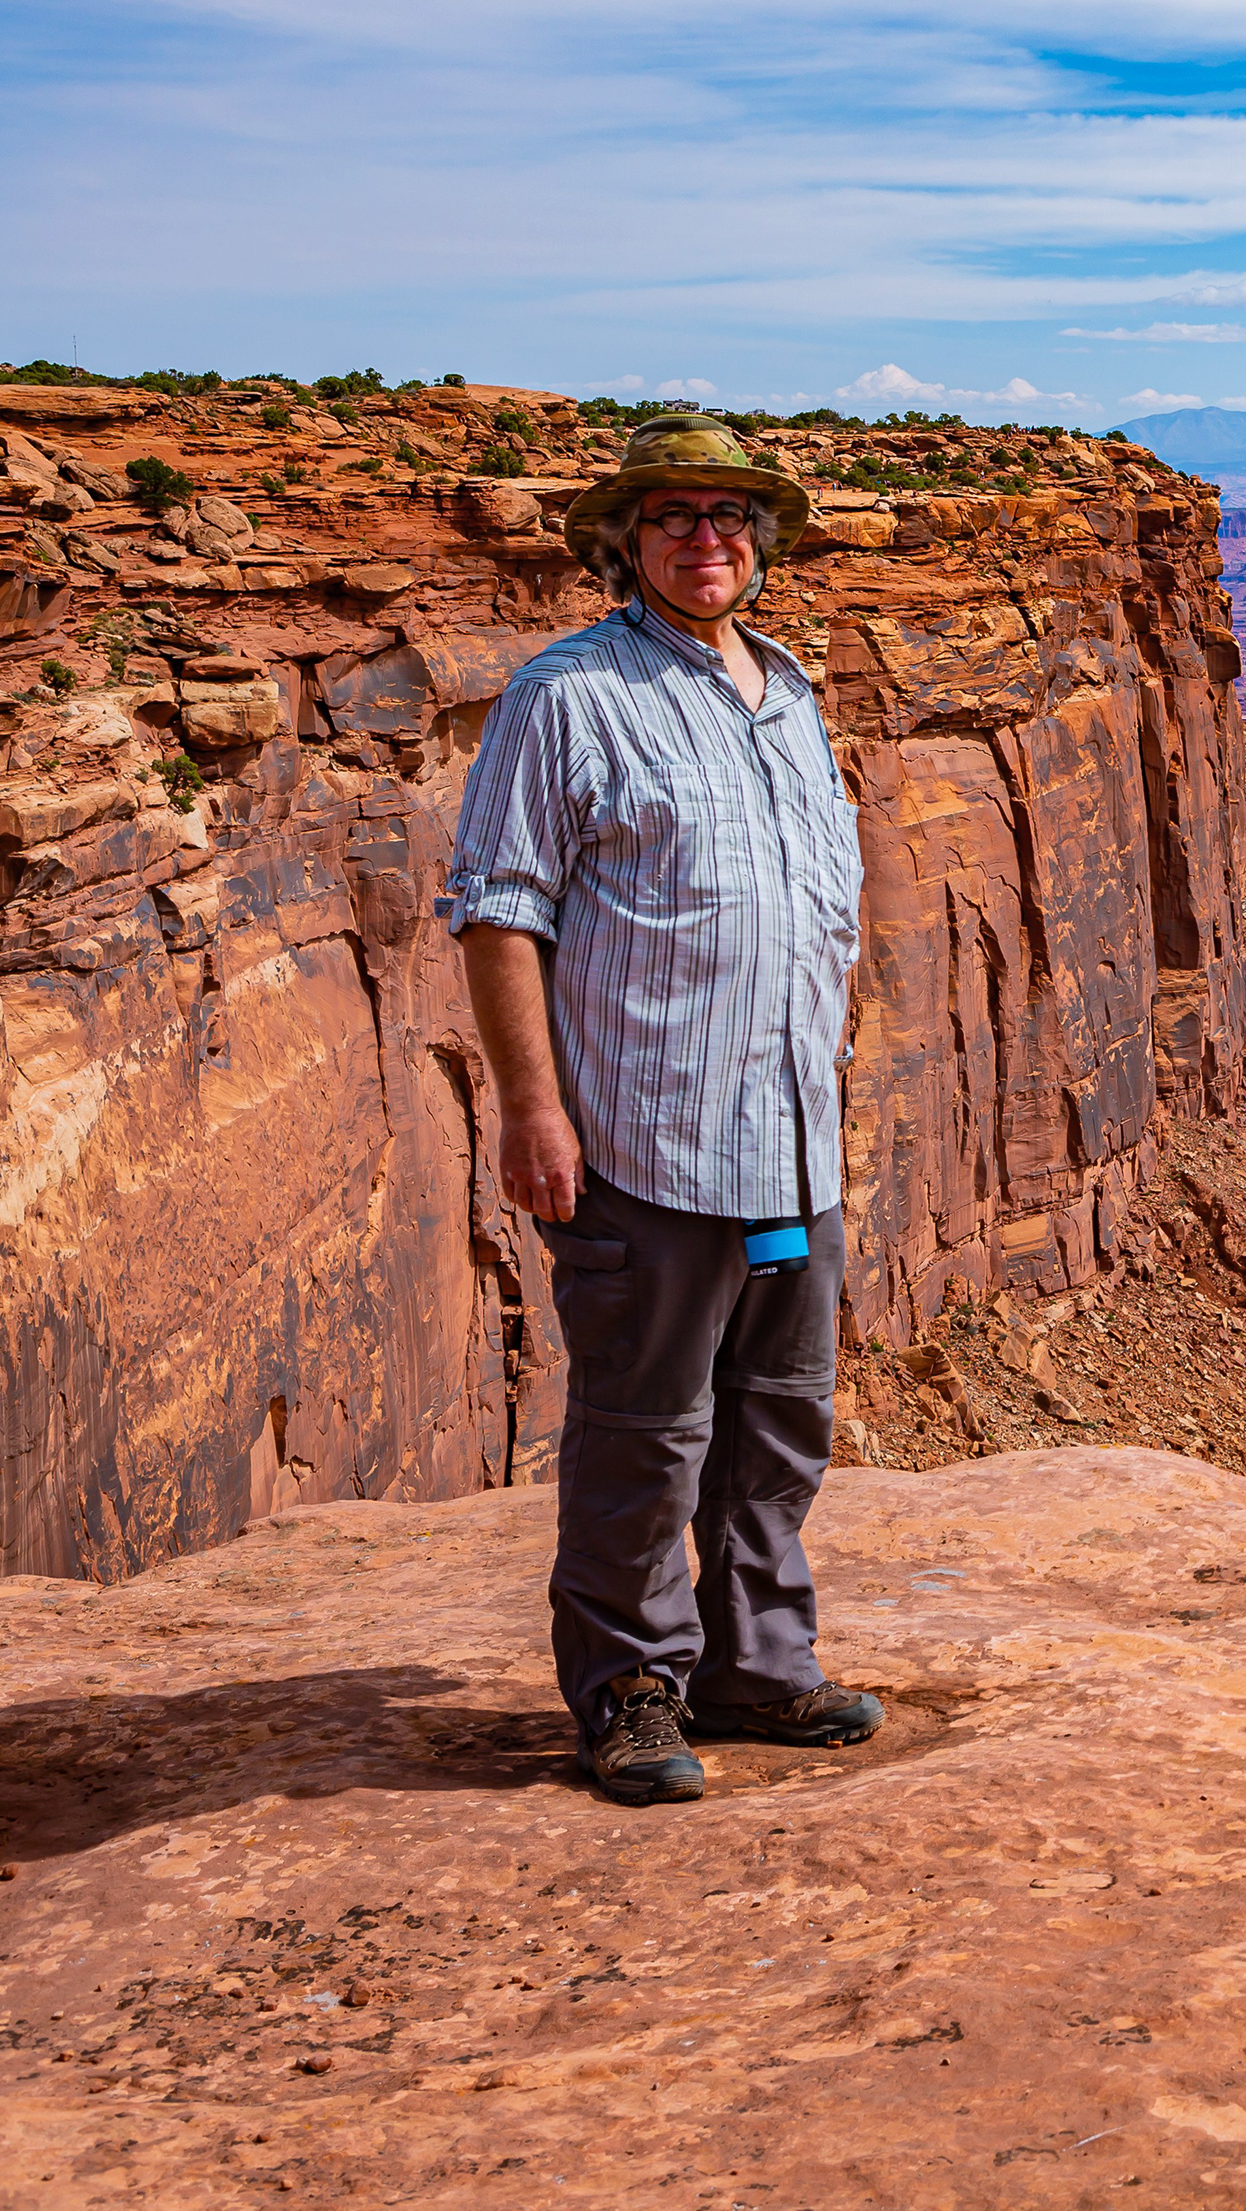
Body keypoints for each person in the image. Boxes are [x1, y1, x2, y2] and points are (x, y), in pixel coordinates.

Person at [443, 412, 882, 1805]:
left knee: (779, 1420)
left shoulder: (795, 699)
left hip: (791, 1139)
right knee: (646, 1430)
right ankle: (632, 1689)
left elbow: (823, 917)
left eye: (733, 516)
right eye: (678, 514)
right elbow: (499, 912)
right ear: (625, 540)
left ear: (763, 543)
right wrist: (533, 1109)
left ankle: (756, 1666)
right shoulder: (567, 696)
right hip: (648, 1134)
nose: (711, 538)